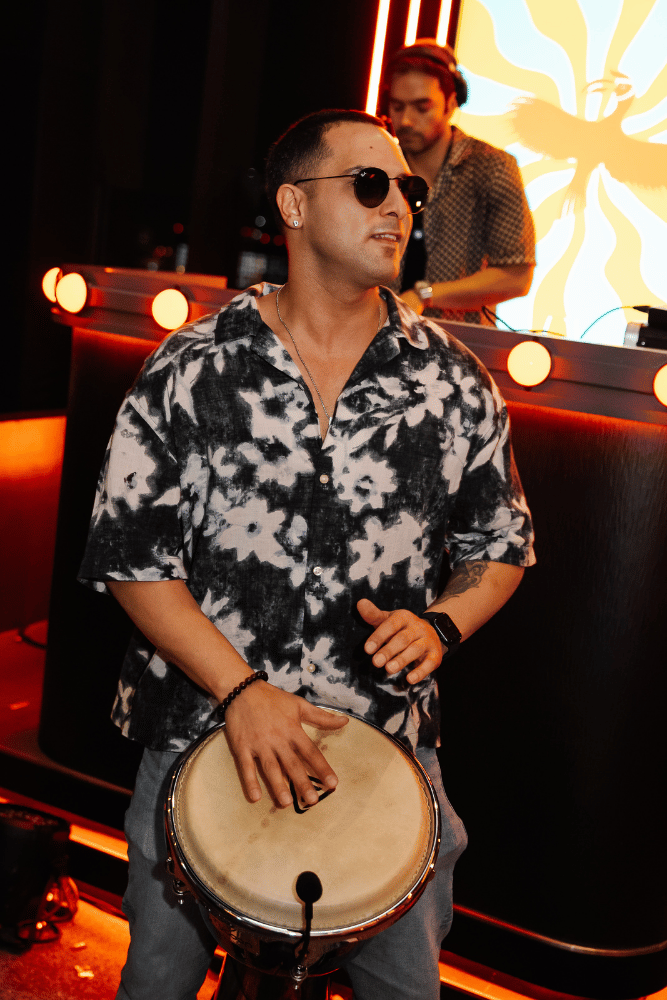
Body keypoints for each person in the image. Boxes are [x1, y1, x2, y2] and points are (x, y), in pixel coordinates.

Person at [78, 108, 535, 1000]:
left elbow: (502, 545)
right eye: (369, 184)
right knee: (157, 984)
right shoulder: (192, 367)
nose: (397, 205)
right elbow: (133, 560)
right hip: (198, 738)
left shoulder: (450, 379)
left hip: (384, 757)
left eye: (408, 188)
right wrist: (242, 692)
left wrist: (445, 621)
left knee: (405, 991)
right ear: (293, 204)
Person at [382, 39, 536, 325]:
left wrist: (425, 295)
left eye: (421, 107)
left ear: (451, 104)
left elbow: (517, 276)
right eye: (397, 106)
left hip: (459, 346)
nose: (405, 120)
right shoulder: (378, 166)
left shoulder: (492, 166)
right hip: (374, 337)